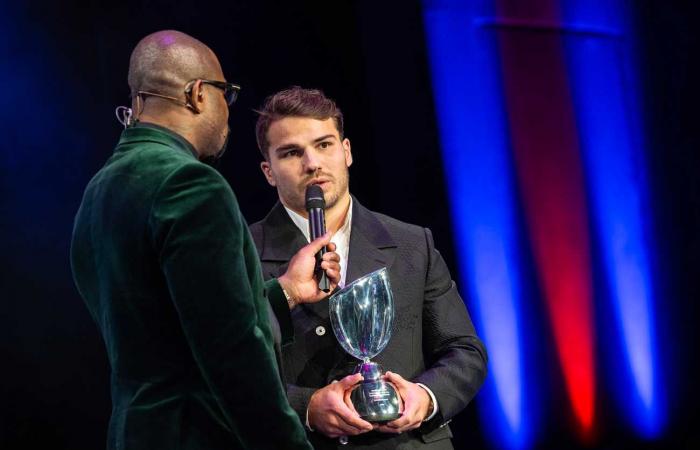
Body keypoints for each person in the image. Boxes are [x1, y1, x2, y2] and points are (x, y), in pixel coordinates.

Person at [70, 31, 341, 450]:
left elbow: (171, 326)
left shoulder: (99, 190)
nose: (226, 112)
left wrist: (285, 291)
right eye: (224, 95)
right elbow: (233, 354)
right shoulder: (190, 183)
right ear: (198, 94)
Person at [249, 86, 488, 449]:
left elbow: (465, 350)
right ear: (269, 171)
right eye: (292, 153)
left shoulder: (411, 243)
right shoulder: (241, 252)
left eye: (324, 145)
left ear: (346, 152)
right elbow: (221, 371)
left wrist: (424, 397)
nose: (312, 163)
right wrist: (306, 408)